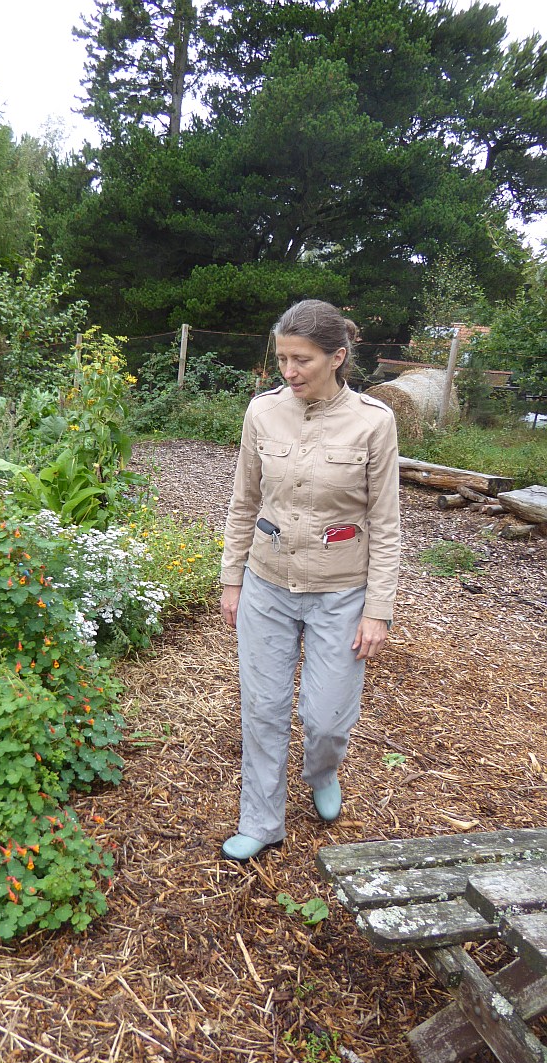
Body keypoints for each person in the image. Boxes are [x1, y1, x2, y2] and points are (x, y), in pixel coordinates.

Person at [219, 299, 401, 863]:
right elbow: (244, 501)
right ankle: (261, 821)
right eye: (282, 359)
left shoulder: (373, 421)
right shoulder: (262, 412)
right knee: (263, 708)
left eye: (302, 360)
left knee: (326, 718)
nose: (289, 371)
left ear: (337, 357)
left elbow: (385, 524)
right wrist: (232, 579)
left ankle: (322, 770)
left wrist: (378, 609)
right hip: (267, 584)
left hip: (341, 593)